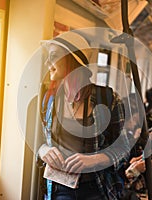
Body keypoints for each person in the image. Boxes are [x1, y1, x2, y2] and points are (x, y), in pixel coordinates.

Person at [36, 31, 130, 200]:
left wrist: (96, 160)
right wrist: (43, 151)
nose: (47, 62)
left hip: (97, 188)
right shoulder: (49, 100)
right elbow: (40, 142)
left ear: (72, 60)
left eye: (53, 56)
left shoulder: (108, 99)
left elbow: (124, 148)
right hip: (59, 189)